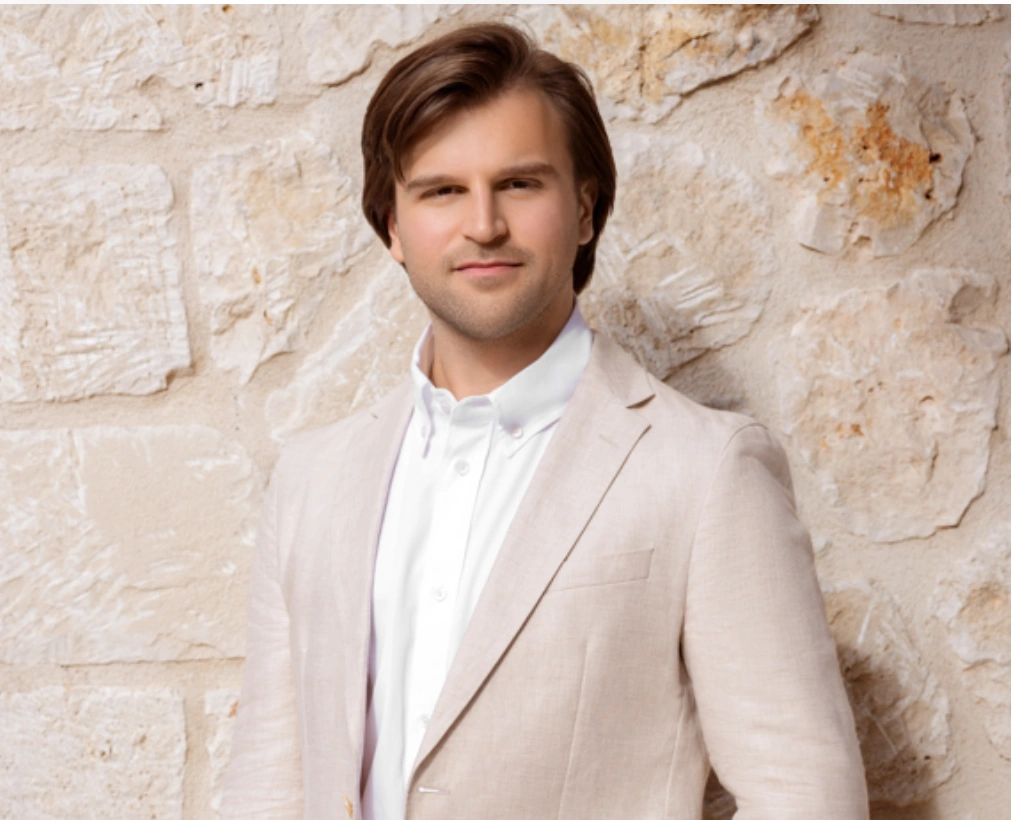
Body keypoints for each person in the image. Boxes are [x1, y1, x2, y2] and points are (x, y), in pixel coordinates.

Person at [221, 22, 868, 820]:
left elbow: (805, 794)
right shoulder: (312, 479)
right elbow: (269, 786)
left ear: (586, 209)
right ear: (392, 225)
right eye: (442, 191)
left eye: (521, 184)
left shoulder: (705, 470)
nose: (483, 224)